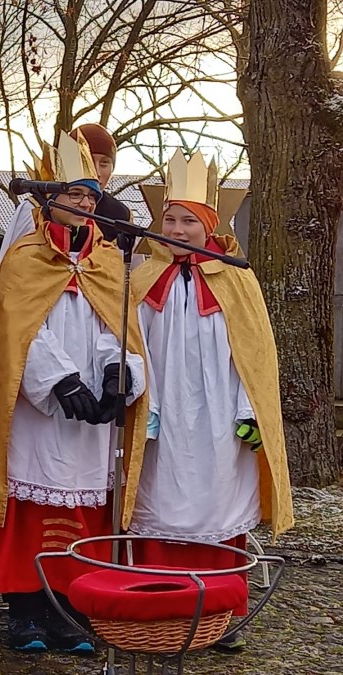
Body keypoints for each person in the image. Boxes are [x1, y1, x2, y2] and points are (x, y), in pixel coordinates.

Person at [0, 131, 148, 654]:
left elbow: (116, 326)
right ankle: (24, 612)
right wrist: (58, 378)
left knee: (83, 507)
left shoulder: (109, 260)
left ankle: (68, 608)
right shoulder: (24, 256)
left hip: (89, 416)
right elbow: (16, 329)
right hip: (38, 412)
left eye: (90, 196)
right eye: (72, 194)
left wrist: (117, 373)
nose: (84, 204)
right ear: (47, 199)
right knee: (30, 506)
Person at [129, 149, 294, 650]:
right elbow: (134, 345)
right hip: (165, 418)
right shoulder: (141, 277)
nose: (176, 230)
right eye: (169, 219)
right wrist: (146, 406)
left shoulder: (238, 279)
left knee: (218, 504)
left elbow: (255, 358)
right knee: (159, 502)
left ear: (209, 225)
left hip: (221, 417)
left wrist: (249, 411)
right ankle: (161, 604)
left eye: (188, 222)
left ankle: (218, 613)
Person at [0, 122, 132, 258]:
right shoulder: (35, 208)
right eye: (88, 161)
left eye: (104, 163)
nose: (97, 172)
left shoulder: (119, 214)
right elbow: (9, 265)